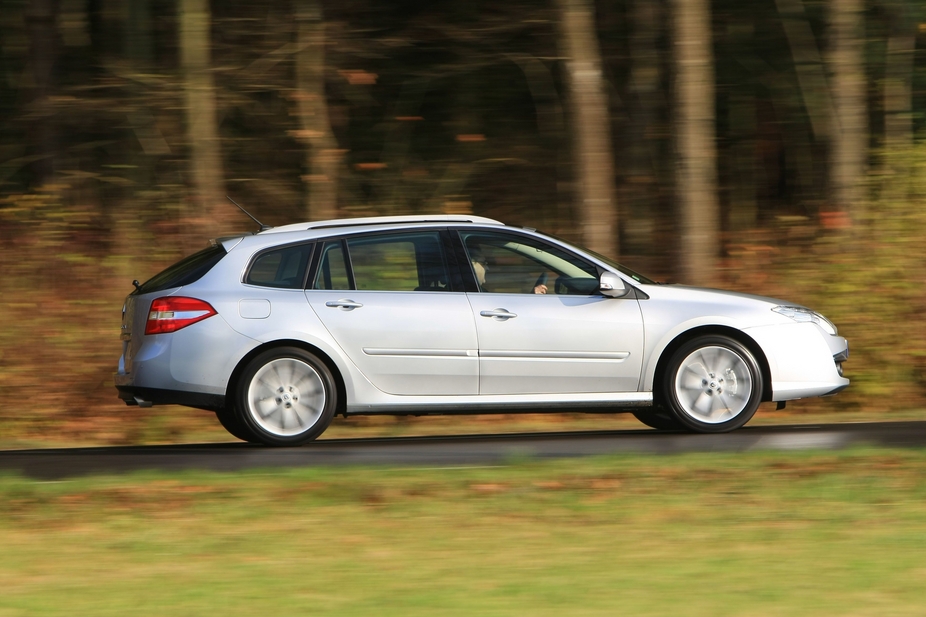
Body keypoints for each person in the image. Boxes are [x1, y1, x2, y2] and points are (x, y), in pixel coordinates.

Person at [470, 249, 548, 294]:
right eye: (484, 263)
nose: (487, 268)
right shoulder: (473, 295)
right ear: (472, 264)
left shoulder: (479, 292)